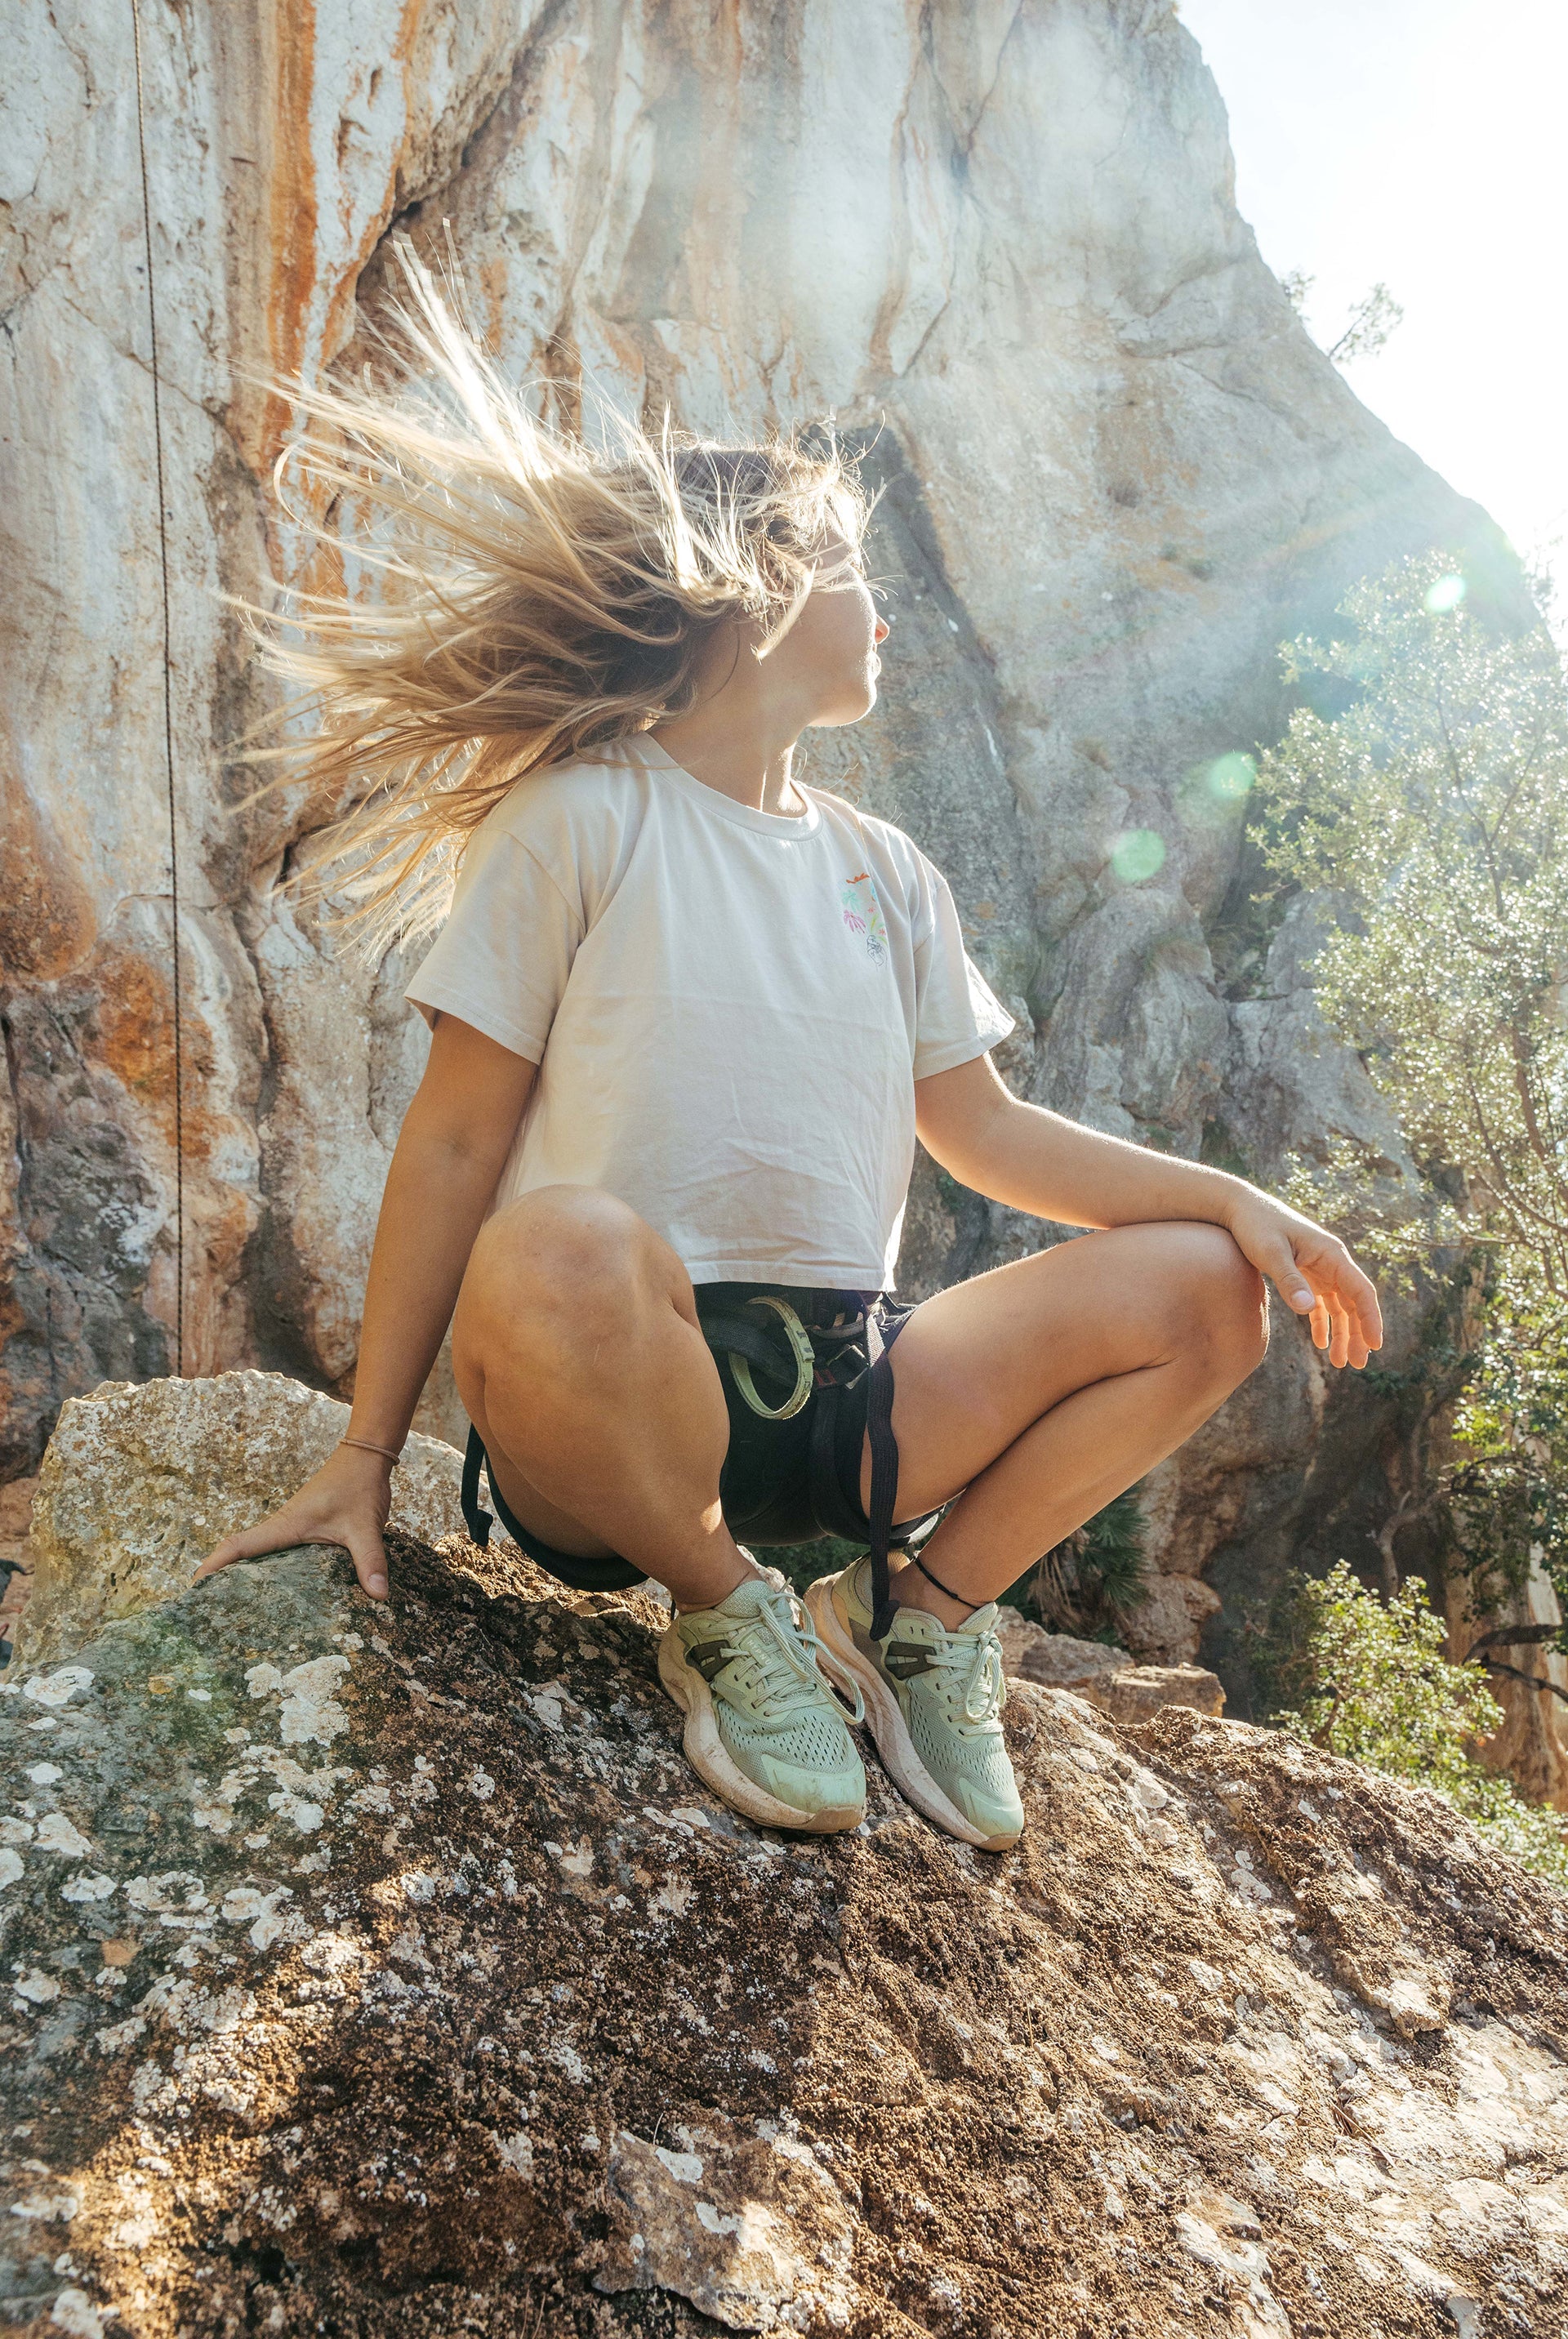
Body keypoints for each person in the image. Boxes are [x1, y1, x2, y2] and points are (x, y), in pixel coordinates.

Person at [196, 255, 1383, 1854]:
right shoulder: (581, 817)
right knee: (551, 1244)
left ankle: (914, 1618)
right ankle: (722, 1608)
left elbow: (988, 1134)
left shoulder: (886, 869)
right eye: (850, 571)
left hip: (856, 1404)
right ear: (754, 588)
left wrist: (1237, 1200)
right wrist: (364, 1454)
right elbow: (460, 1138)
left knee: (1210, 1291)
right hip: (621, 1397)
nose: (882, 611)